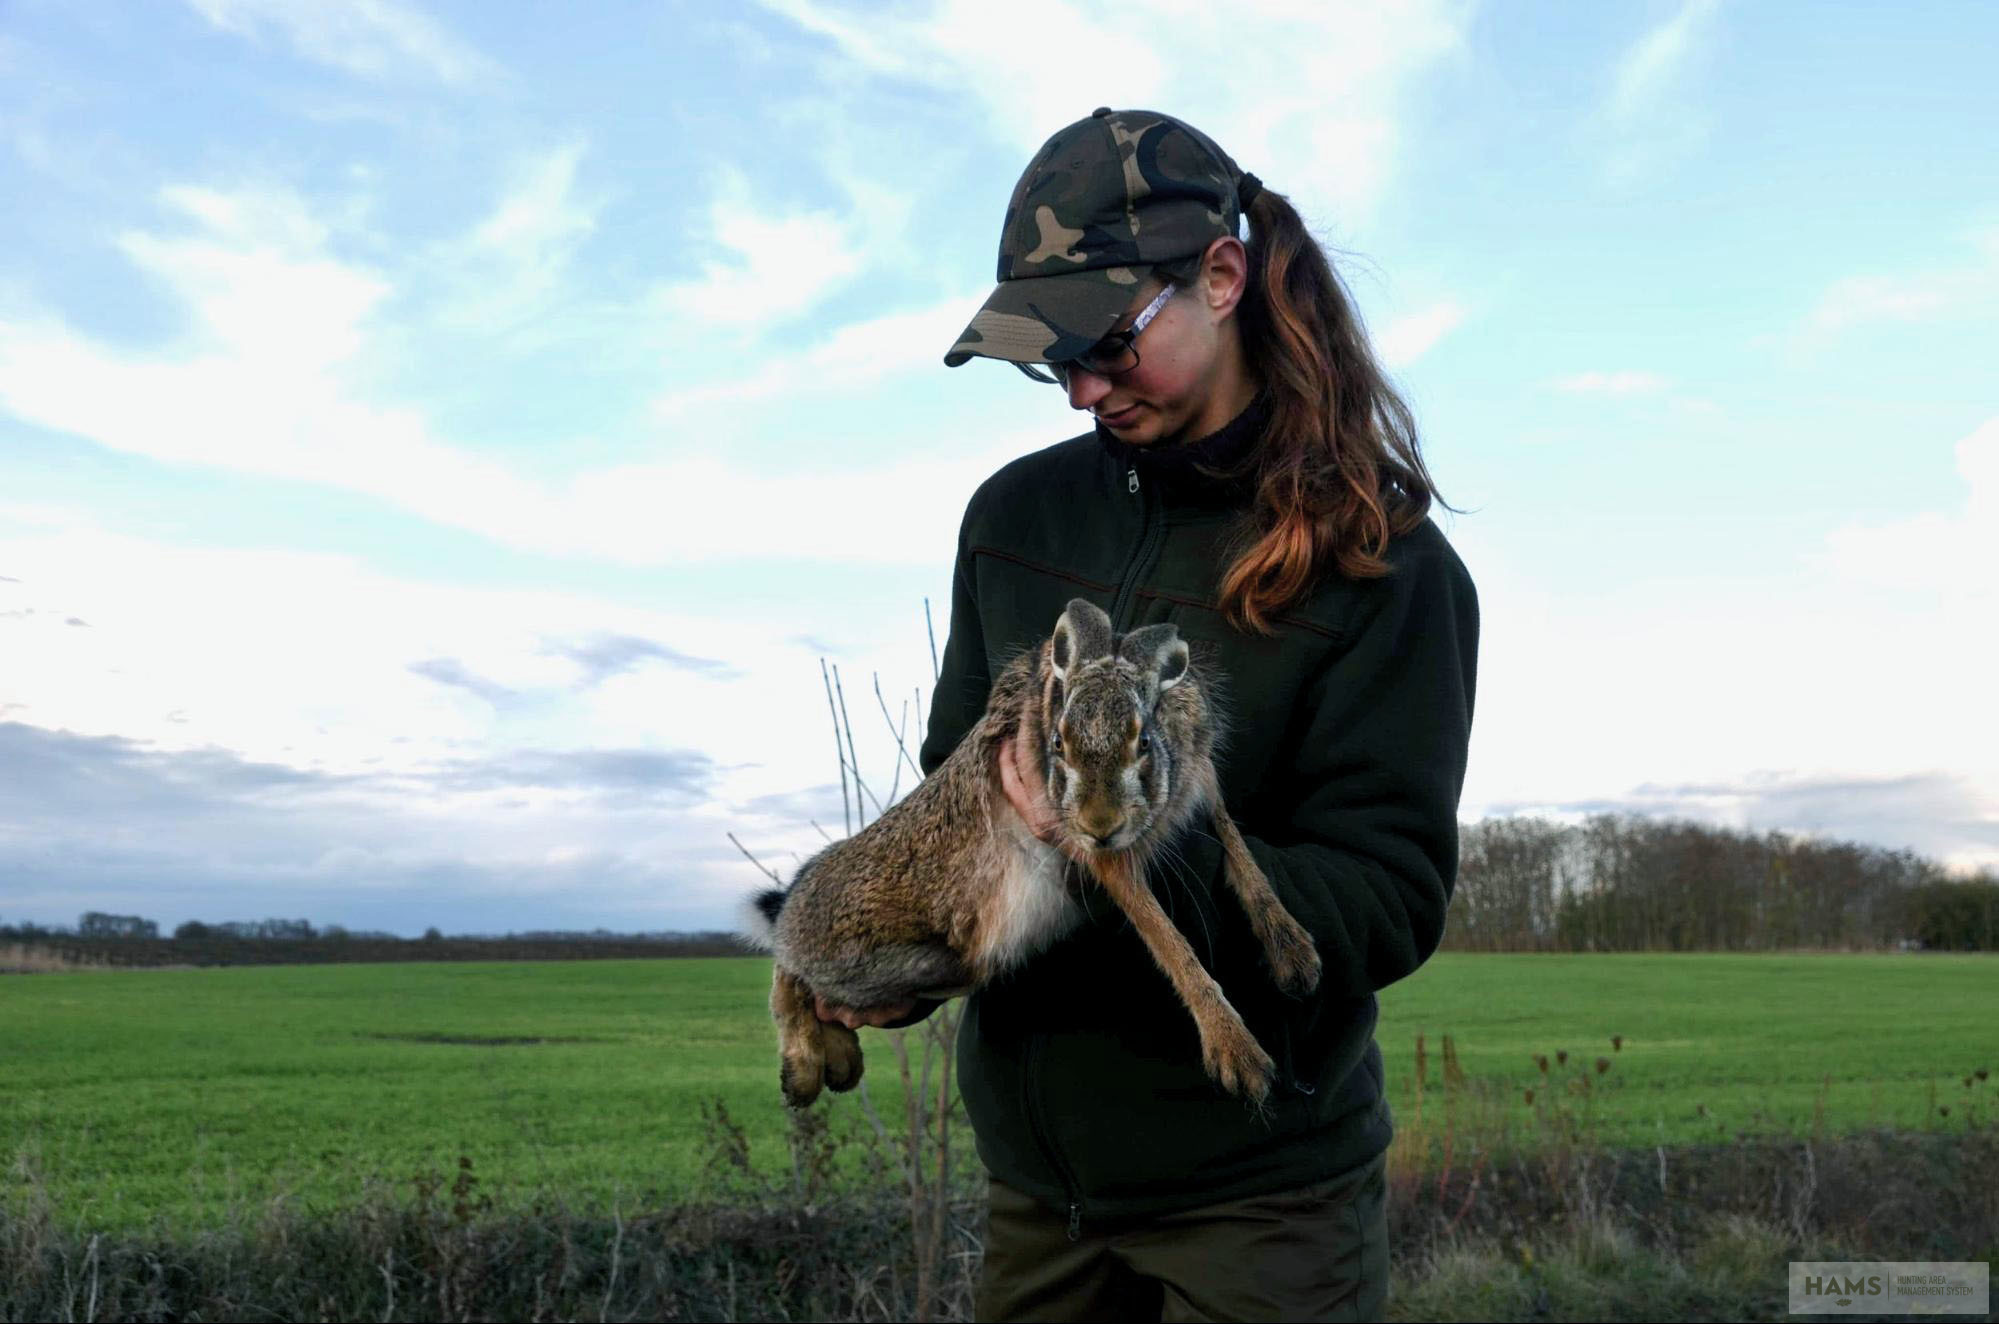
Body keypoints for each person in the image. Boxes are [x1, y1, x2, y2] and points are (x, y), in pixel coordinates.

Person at [816, 107, 1478, 1322]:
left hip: (1261, 1208)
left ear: (1220, 278)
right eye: (1047, 357)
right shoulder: (1012, 518)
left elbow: (1387, 898)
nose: (1078, 388)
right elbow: (955, 785)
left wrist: (1114, 849)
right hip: (1037, 1197)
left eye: (1108, 343)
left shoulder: (1384, 570)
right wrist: (921, 946)